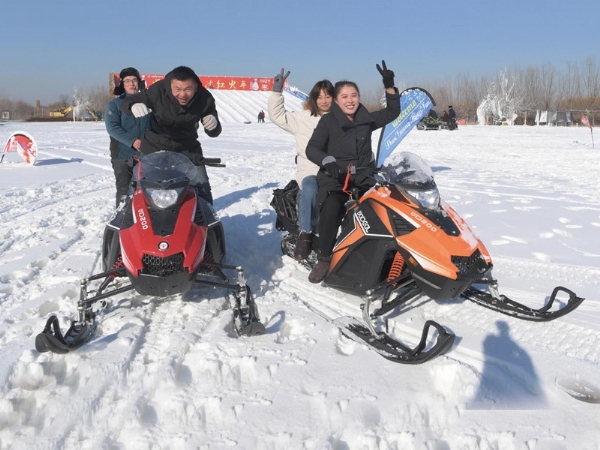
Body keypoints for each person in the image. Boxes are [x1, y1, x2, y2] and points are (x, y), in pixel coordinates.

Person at [305, 60, 401, 283]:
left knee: (388, 205)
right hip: (336, 179)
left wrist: (389, 86)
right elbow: (312, 148)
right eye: (345, 96)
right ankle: (324, 258)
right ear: (337, 101)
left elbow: (393, 112)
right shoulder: (328, 121)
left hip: (365, 178)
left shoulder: (366, 120)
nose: (350, 100)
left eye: (354, 95)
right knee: (332, 207)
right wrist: (326, 159)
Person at [120, 65, 221, 205]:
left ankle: (206, 224)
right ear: (170, 85)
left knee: (203, 191)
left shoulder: (205, 98)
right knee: (137, 188)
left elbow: (214, 132)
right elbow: (127, 101)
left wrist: (213, 123)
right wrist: (133, 105)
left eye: (188, 89)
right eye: (177, 89)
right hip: (154, 147)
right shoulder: (158, 90)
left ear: (195, 87)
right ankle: (126, 220)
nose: (182, 94)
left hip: (188, 149)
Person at [268, 68, 334, 260]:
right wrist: (277, 92)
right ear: (313, 98)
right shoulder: (303, 118)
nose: (323, 100)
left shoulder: (340, 120)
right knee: (310, 190)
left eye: (328, 96)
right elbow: (278, 116)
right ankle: (304, 234)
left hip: (335, 171)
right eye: (319, 96)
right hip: (311, 170)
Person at [105, 67, 150, 207]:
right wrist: (132, 141)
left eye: (134, 80)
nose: (132, 84)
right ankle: (121, 220)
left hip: (146, 154)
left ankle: (142, 221)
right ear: (122, 84)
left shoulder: (149, 103)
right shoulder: (115, 105)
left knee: (145, 189)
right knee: (124, 190)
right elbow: (112, 128)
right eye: (127, 81)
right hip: (122, 155)